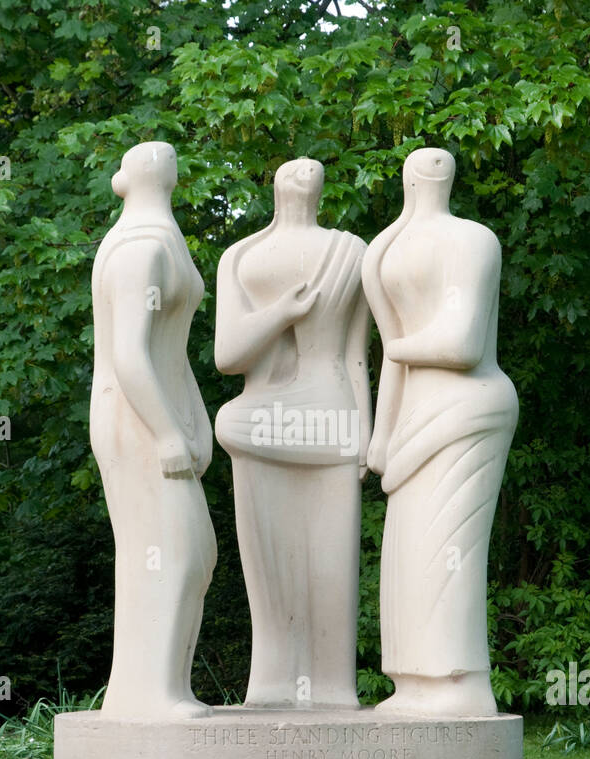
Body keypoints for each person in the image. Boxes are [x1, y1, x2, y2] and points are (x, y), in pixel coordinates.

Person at [364, 148, 518, 717]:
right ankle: (416, 683)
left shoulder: (472, 240)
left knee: (449, 552)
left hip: (468, 410)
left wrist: (398, 350)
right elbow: (392, 362)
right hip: (414, 421)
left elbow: (461, 345)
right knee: (410, 554)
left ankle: (461, 687)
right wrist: (381, 437)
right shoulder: (388, 248)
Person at [215, 157, 371, 709]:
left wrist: (364, 436)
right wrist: (282, 310)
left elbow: (356, 354)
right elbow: (228, 356)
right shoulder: (241, 257)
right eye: (291, 168)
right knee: (270, 567)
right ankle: (273, 684)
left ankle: (332, 686)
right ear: (274, 183)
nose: (303, 172)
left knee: (331, 563)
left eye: (312, 169)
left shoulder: (352, 251)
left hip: (329, 415)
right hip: (266, 415)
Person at [90, 141, 215, 718]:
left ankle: (158, 689)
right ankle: (145, 694)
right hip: (133, 415)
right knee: (170, 551)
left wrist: (196, 423)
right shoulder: (138, 248)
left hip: (160, 410)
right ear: (146, 173)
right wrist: (168, 431)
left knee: (190, 551)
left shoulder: (162, 240)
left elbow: (174, 357)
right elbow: (130, 358)